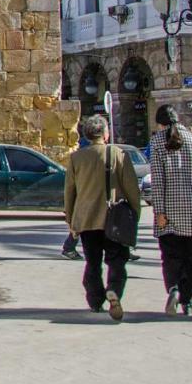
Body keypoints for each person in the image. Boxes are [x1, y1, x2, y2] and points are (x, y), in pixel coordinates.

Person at [64, 115, 141, 320]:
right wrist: (135, 214)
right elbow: (132, 189)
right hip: (114, 218)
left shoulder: (76, 158)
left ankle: (95, 301)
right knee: (117, 260)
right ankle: (114, 289)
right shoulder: (118, 154)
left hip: (87, 219)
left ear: (87, 135)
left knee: (93, 262)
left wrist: (71, 220)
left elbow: (70, 192)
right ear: (105, 134)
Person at [149, 104, 192, 316]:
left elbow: (157, 180)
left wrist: (159, 211)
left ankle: (174, 289)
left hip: (168, 208)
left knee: (170, 255)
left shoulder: (157, 142)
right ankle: (188, 301)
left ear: (160, 124)